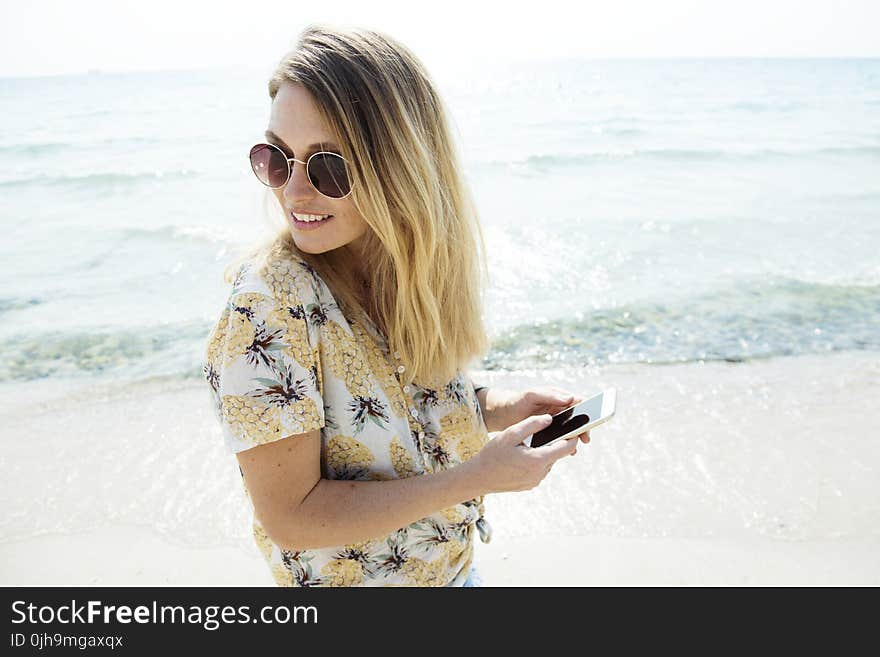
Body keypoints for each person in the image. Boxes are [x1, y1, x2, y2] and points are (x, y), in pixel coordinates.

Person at [203, 24, 591, 587]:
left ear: (400, 165)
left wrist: (501, 407)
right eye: (278, 159)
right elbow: (292, 516)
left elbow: (394, 408)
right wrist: (476, 477)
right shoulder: (265, 313)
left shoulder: (392, 269)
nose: (293, 191)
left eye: (329, 166)